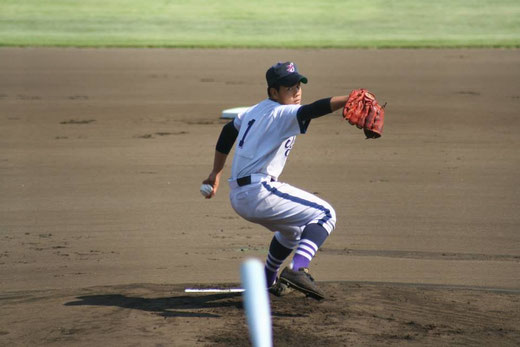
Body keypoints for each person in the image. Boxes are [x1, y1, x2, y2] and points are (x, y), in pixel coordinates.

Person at [202, 61, 350, 300]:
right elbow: (312, 110)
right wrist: (348, 99)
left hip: (241, 195)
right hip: (259, 191)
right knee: (325, 214)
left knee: (292, 232)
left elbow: (229, 131)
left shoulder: (254, 110)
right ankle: (297, 269)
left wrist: (215, 173)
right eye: (289, 87)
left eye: (299, 85)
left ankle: (267, 279)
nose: (297, 91)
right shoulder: (282, 112)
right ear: (274, 92)